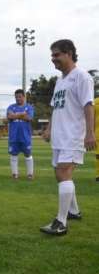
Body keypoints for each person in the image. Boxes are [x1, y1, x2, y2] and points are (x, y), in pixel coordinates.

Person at [41, 39, 95, 236]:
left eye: (56, 55)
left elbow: (88, 106)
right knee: (60, 174)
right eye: (52, 55)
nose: (53, 59)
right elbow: (55, 106)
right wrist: (48, 129)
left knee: (64, 172)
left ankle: (61, 222)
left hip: (73, 135)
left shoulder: (82, 77)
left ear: (69, 53)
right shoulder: (60, 80)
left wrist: (90, 133)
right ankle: (74, 211)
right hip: (59, 136)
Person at [7, 89, 34, 180]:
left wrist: (16, 115)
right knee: (13, 155)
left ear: (24, 97)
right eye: (16, 97)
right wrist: (22, 114)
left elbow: (29, 118)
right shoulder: (11, 107)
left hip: (25, 136)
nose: (18, 98)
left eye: (20, 97)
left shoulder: (29, 107)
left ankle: (30, 174)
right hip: (13, 136)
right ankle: (15, 174)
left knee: (28, 154)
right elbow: (9, 116)